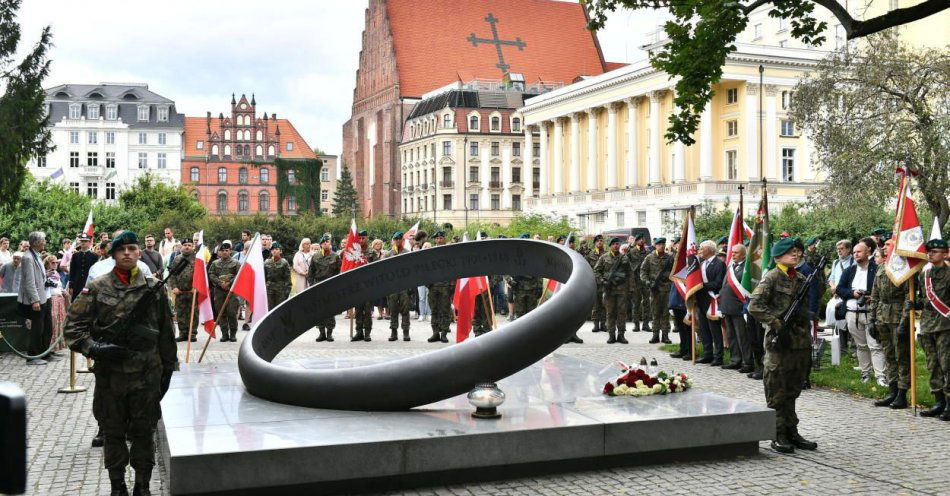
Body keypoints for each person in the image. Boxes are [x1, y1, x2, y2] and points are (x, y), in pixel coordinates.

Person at [63, 230, 177, 496]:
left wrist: (169, 369)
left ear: (139, 253)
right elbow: (72, 328)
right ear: (113, 254)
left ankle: (142, 485)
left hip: (147, 375)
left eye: (132, 248)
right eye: (121, 249)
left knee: (143, 432)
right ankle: (117, 486)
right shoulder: (98, 287)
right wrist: (97, 348)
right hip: (110, 377)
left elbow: (165, 331)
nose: (127, 253)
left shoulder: (154, 287)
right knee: (113, 433)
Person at [748, 237, 817, 454]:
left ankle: (791, 430)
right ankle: (778, 434)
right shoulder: (772, 277)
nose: (796, 255)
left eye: (798, 252)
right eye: (791, 252)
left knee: (793, 389)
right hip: (779, 343)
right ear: (778, 256)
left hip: (799, 342)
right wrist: (777, 323)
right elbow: (754, 306)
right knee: (777, 391)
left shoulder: (802, 278)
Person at [903, 238, 949, 419]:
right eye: (928, 251)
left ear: (945, 253)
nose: (930, 254)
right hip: (928, 325)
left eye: (935, 251)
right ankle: (939, 401)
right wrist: (915, 304)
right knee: (933, 365)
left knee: (947, 365)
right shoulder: (925, 274)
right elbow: (925, 299)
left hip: (946, 326)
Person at [836, 237, 887, 386]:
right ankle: (865, 373)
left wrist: (872, 296)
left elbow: (882, 289)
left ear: (868, 252)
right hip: (852, 312)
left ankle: (880, 376)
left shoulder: (875, 269)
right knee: (861, 345)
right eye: (854, 252)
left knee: (875, 345)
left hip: (871, 312)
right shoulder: (849, 270)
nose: (856, 254)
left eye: (859, 252)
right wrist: (853, 294)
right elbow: (839, 289)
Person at [868, 246, 910, 409]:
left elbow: (908, 295)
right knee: (889, 355)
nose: (885, 248)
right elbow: (875, 295)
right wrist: (872, 319)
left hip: (898, 315)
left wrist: (904, 322)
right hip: (882, 316)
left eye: (888, 245)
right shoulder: (881, 268)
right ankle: (892, 390)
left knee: (901, 356)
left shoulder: (903, 268)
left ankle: (902, 393)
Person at [19, 231, 57, 365]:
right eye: (43, 240)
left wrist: (46, 276)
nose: (45, 242)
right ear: (36, 242)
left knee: (47, 327)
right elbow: (29, 281)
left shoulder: (37, 255)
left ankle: (44, 353)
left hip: (45, 296)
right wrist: (34, 300)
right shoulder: (28, 257)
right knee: (37, 328)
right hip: (37, 299)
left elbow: (38, 276)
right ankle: (33, 356)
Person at [721, 244, 754, 372]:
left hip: (739, 308)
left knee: (742, 337)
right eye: (732, 252)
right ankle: (735, 360)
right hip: (727, 306)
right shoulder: (731, 266)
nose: (733, 254)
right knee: (731, 336)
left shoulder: (747, 268)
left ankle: (747, 363)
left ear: (743, 254)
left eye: (736, 253)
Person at [594, 237, 632, 344]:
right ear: (610, 246)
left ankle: (621, 335)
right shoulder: (603, 257)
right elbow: (596, 271)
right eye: (614, 244)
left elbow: (630, 273)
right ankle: (611, 335)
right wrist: (602, 281)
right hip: (609, 289)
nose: (616, 245)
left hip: (622, 290)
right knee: (610, 313)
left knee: (622, 313)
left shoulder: (624, 258)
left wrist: (630, 288)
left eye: (617, 244)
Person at [693, 240, 726, 363]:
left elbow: (718, 283)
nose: (700, 251)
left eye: (702, 248)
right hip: (701, 300)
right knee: (704, 329)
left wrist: (701, 285)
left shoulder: (719, 264)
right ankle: (708, 354)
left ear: (710, 250)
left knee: (715, 330)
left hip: (713, 300)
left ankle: (718, 356)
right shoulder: (701, 264)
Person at [308, 235, 341, 342]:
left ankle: (330, 333)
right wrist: (312, 285)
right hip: (318, 285)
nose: (326, 243)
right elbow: (311, 272)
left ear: (330, 244)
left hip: (330, 286)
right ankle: (321, 332)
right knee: (319, 310)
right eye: (324, 242)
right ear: (321, 244)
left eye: (327, 242)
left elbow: (339, 272)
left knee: (330, 310)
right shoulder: (315, 256)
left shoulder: (335, 256)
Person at [640, 238, 673, 345]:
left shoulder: (669, 258)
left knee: (665, 313)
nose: (662, 246)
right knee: (655, 313)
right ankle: (655, 335)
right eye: (659, 244)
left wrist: (668, 278)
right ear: (655, 245)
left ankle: (665, 335)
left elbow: (674, 272)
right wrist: (648, 282)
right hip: (654, 290)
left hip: (667, 289)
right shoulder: (649, 258)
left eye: (663, 244)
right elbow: (643, 271)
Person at [381, 231, 412, 341]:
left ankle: (406, 332)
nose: (398, 241)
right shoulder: (388, 254)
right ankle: (394, 332)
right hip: (392, 287)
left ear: (402, 240)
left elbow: (411, 271)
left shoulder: (407, 253)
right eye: (396, 239)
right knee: (393, 310)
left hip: (404, 286)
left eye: (400, 239)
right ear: (393, 241)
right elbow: (383, 271)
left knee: (405, 310)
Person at [208, 242, 240, 342]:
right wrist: (220, 283)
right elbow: (211, 274)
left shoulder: (236, 263)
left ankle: (233, 334)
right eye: (222, 251)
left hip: (232, 292)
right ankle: (224, 334)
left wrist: (229, 283)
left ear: (230, 251)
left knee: (231, 313)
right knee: (221, 313)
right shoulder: (215, 263)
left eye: (227, 250)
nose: (225, 252)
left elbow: (239, 275)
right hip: (219, 291)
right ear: (219, 252)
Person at [169, 238, 198, 342]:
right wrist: (174, 287)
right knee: (180, 313)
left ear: (192, 247)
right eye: (185, 245)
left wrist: (197, 287)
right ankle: (182, 333)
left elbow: (201, 276)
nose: (187, 247)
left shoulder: (197, 259)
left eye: (189, 245)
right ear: (181, 246)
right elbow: (172, 275)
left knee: (193, 313)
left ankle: (192, 333)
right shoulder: (177, 259)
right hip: (180, 292)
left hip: (192, 292)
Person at [826, 239, 854, 347]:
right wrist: (833, 287)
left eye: (842, 249)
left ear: (848, 249)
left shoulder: (853, 261)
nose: (839, 251)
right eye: (838, 249)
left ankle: (852, 345)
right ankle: (841, 346)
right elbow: (831, 278)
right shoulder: (836, 262)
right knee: (837, 318)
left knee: (848, 320)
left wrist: (841, 290)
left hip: (848, 294)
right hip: (837, 295)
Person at [426, 232, 452, 343]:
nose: (439, 240)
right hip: (433, 287)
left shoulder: (448, 252)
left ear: (444, 239)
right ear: (435, 240)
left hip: (445, 286)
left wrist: (452, 285)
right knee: (434, 311)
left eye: (441, 238)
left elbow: (454, 269)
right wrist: (427, 283)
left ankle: (444, 333)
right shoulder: (430, 253)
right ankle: (435, 333)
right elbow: (425, 269)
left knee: (445, 311)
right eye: (437, 238)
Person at [353, 230, 379, 341]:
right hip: (357, 285)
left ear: (367, 238)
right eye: (359, 238)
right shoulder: (354, 251)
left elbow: (377, 268)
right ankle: (359, 332)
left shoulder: (371, 252)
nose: (361, 240)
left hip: (368, 285)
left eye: (363, 238)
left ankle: (367, 332)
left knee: (367, 311)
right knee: (358, 310)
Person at [43, 255, 68, 354]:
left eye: (56, 262)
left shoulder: (56, 273)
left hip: (59, 300)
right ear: (47, 263)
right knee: (52, 324)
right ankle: (48, 348)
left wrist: (63, 291)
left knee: (59, 323)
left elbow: (59, 285)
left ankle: (54, 348)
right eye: (52, 262)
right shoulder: (45, 273)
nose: (55, 264)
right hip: (51, 299)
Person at [626, 234, 650, 332]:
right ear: (636, 241)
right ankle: (636, 325)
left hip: (645, 281)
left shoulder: (648, 252)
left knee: (646, 303)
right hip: (635, 281)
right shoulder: (631, 252)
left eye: (642, 239)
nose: (641, 241)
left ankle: (645, 324)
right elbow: (626, 264)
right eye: (639, 239)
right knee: (635, 303)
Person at [586, 235, 607, 333]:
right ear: (595, 243)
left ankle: (603, 324)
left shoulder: (607, 254)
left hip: (605, 283)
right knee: (595, 305)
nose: (600, 242)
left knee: (604, 304)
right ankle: (595, 324)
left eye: (601, 241)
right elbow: (587, 268)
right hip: (594, 283)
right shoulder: (590, 254)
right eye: (598, 241)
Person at [264, 242, 291, 311]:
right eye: (272, 249)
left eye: (276, 249)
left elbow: (287, 279)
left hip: (281, 289)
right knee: (270, 309)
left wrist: (286, 293)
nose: (274, 251)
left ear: (280, 251)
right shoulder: (267, 262)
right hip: (269, 289)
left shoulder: (284, 262)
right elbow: (264, 278)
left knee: (279, 309)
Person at [371, 238, 388, 319]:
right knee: (378, 297)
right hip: (375, 277)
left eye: (379, 244)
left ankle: (387, 313)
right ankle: (381, 313)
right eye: (376, 244)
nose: (378, 245)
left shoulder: (385, 253)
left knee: (385, 295)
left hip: (384, 276)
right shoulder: (371, 254)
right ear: (373, 245)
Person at [416, 242, 432, 322]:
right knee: (421, 298)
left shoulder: (432, 258)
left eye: (428, 246)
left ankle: (429, 314)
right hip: (421, 279)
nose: (426, 247)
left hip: (430, 279)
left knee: (429, 297)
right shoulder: (419, 257)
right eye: (425, 246)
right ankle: (421, 314)